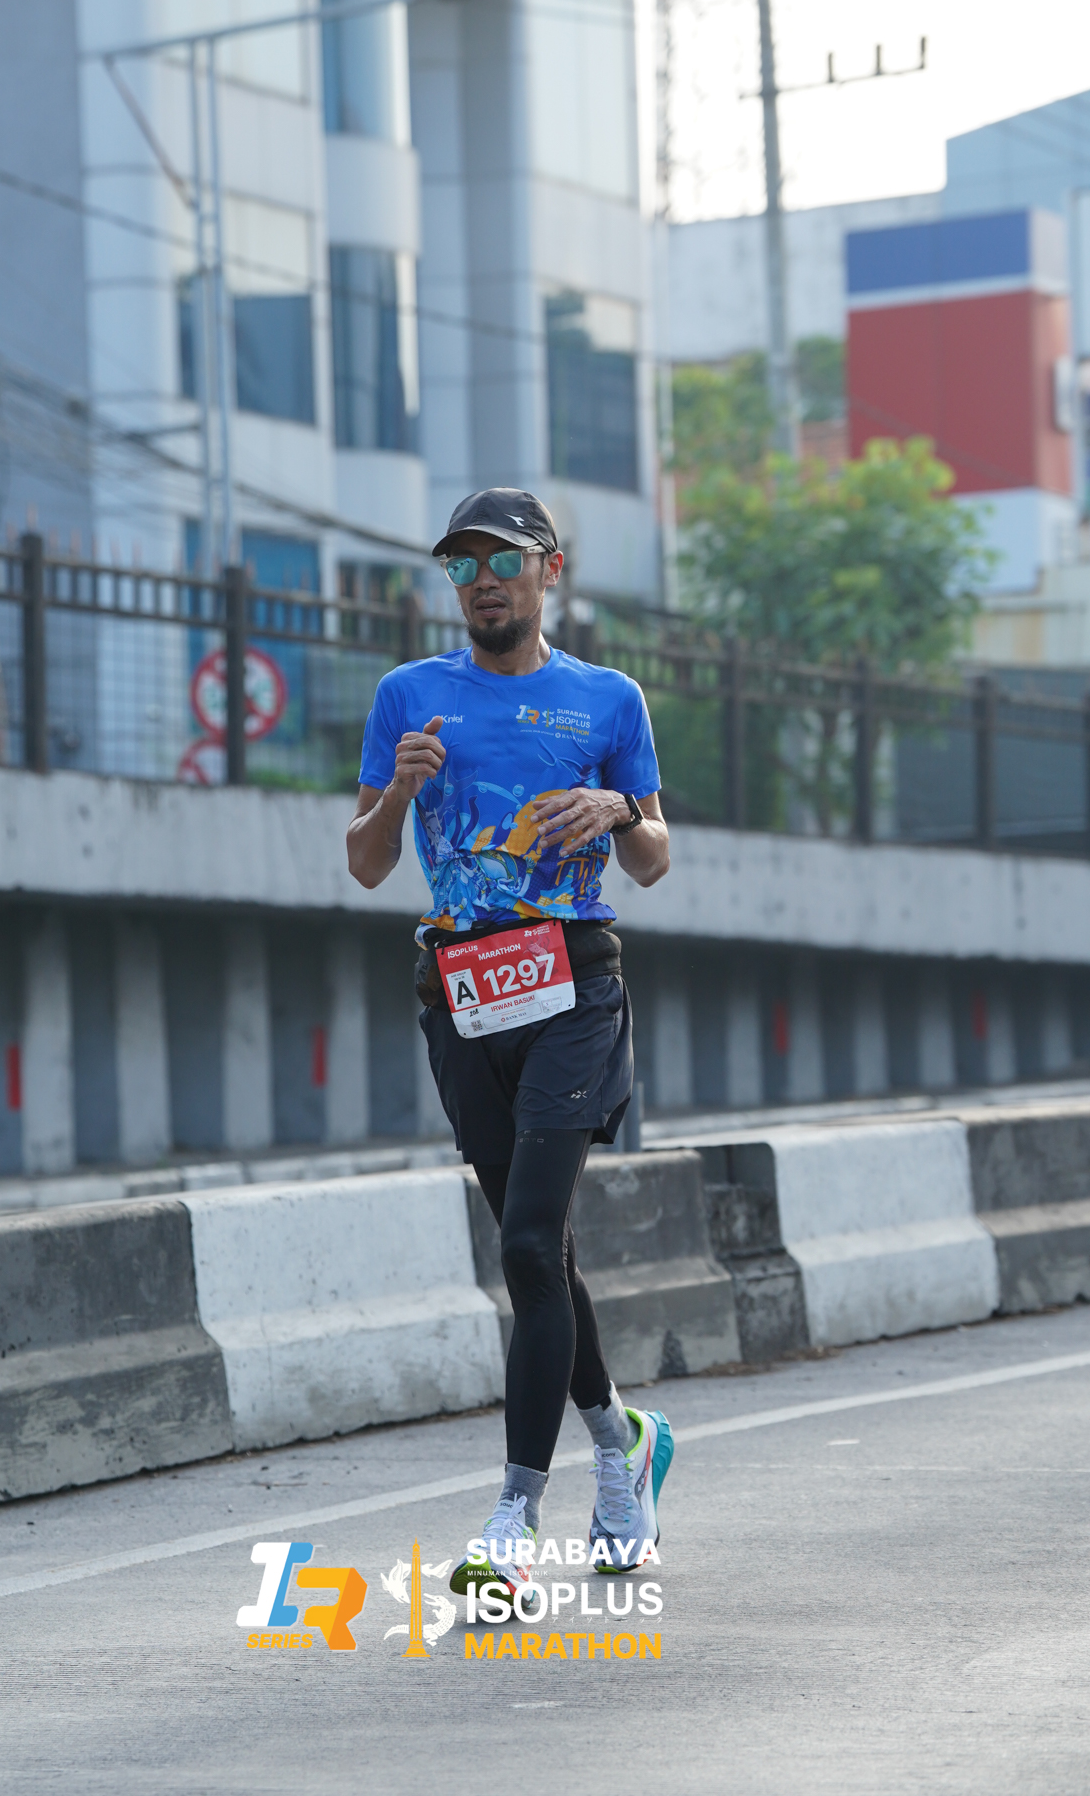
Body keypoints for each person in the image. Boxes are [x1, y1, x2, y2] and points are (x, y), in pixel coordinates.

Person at [347, 487, 675, 1604]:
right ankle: (622, 1446)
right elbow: (364, 863)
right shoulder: (408, 696)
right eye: (462, 565)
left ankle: (513, 1519)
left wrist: (620, 813)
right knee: (541, 1255)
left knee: (531, 1243)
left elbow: (654, 859)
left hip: (572, 984)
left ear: (549, 570)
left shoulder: (607, 698)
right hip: (463, 992)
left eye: (501, 561)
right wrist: (397, 792)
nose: (481, 581)